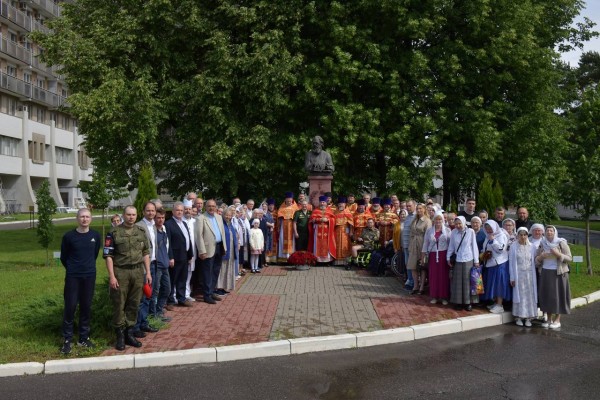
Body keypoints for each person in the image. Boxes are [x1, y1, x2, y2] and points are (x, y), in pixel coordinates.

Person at [103, 205, 152, 351]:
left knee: (134, 303)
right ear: (123, 215)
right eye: (128, 214)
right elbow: (108, 256)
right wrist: (112, 276)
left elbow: (146, 253)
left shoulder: (141, 231)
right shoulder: (114, 232)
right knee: (119, 304)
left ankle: (129, 333)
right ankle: (119, 336)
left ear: (137, 216)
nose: (131, 217)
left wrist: (148, 272)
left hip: (137, 271)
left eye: (133, 215)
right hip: (121, 272)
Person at [59, 208, 101, 354]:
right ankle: (67, 340)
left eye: (87, 217)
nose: (84, 219)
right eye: (82, 216)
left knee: (86, 306)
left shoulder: (95, 235)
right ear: (77, 218)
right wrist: (73, 268)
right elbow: (64, 257)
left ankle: (83, 338)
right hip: (73, 277)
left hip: (89, 276)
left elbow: (95, 254)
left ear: (91, 219)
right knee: (70, 307)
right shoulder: (69, 236)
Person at [132, 201, 160, 339]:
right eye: (148, 211)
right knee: (142, 297)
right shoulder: (139, 226)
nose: (151, 213)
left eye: (153, 211)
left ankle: (144, 322)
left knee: (149, 295)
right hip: (143, 267)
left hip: (154, 264)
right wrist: (147, 269)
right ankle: (136, 326)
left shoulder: (153, 225)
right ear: (143, 212)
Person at [535, 226, 572, 329]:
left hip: (559, 273)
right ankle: (548, 319)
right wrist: (541, 257)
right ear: (545, 232)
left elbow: (569, 258)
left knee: (558, 296)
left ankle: (557, 319)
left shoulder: (561, 243)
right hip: (545, 272)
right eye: (547, 230)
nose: (549, 232)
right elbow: (536, 261)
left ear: (555, 232)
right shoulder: (542, 244)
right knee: (547, 296)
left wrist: (558, 254)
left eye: (551, 230)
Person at [195, 199, 227, 304]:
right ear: (205, 207)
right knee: (207, 273)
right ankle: (206, 295)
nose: (211, 208)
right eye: (209, 206)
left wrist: (224, 247)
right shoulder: (201, 218)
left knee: (215, 271)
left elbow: (222, 233)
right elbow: (198, 236)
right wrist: (201, 251)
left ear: (216, 207)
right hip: (207, 249)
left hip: (219, 247)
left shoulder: (218, 217)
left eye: (213, 206)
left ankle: (212, 291)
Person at [447, 216, 480, 311]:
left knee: (467, 282)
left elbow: (474, 246)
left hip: (468, 259)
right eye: (456, 223)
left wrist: (476, 260)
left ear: (464, 223)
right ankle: (458, 302)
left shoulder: (470, 232)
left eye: (459, 223)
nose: (458, 225)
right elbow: (451, 246)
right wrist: (448, 257)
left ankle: (468, 302)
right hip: (458, 259)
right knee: (457, 282)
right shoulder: (453, 232)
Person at [165, 202, 194, 308]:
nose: (180, 212)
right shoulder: (168, 224)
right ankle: (170, 301)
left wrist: (190, 255)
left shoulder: (184, 223)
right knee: (172, 279)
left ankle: (181, 298)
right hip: (175, 257)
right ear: (173, 211)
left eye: (181, 210)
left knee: (183, 278)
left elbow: (188, 240)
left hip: (185, 256)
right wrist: (170, 257)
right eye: (177, 210)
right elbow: (168, 242)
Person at [481, 220, 511, 314]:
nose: (489, 230)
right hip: (491, 263)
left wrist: (493, 240)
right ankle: (496, 303)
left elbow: (501, 249)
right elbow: (485, 247)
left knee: (499, 284)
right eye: (487, 228)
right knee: (493, 284)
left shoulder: (501, 235)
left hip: (500, 264)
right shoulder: (488, 236)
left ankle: (500, 305)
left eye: (490, 228)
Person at [509, 227, 538, 327]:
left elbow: (535, 261)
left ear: (527, 235)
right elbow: (511, 263)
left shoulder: (532, 247)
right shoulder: (513, 246)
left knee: (529, 295)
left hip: (530, 275)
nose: (523, 237)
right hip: (519, 275)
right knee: (520, 295)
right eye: (520, 235)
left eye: (525, 234)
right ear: (517, 235)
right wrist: (512, 277)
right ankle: (519, 317)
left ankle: (529, 318)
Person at [422, 212, 452, 305]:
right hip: (433, 255)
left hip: (444, 255)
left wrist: (449, 257)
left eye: (440, 219)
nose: (438, 221)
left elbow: (451, 244)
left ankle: (443, 297)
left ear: (443, 220)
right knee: (433, 276)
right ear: (433, 220)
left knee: (443, 277)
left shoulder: (447, 230)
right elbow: (425, 243)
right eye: (436, 219)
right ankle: (434, 296)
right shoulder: (429, 231)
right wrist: (423, 255)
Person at [151, 208, 172, 322]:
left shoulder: (164, 230)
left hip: (165, 264)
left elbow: (167, 247)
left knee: (167, 289)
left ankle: (159, 311)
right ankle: (154, 314)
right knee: (155, 291)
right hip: (157, 265)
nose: (160, 220)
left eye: (162, 218)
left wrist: (169, 259)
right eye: (158, 218)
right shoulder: (153, 231)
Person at [407, 203, 431, 295]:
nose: (419, 210)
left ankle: (421, 287)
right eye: (417, 208)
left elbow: (428, 236)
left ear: (424, 209)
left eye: (420, 208)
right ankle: (415, 286)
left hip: (422, 245)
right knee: (412, 266)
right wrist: (410, 244)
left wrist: (425, 250)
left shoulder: (427, 221)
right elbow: (411, 233)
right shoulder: (414, 219)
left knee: (422, 267)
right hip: (413, 244)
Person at [216, 208, 238, 293]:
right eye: (226, 215)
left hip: (231, 250)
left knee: (229, 268)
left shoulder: (230, 224)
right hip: (224, 250)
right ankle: (219, 287)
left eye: (230, 215)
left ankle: (225, 286)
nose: (228, 217)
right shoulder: (221, 224)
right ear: (223, 215)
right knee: (222, 268)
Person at [309, 195, 336, 263]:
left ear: (326, 203)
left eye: (324, 202)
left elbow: (333, 219)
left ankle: (327, 261)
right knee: (317, 244)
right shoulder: (315, 211)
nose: (322, 203)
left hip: (327, 232)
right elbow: (311, 220)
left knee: (326, 245)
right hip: (317, 231)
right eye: (321, 202)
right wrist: (319, 219)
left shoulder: (330, 211)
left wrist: (328, 220)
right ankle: (317, 260)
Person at [277, 192, 299, 262]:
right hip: (284, 226)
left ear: (292, 200)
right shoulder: (282, 207)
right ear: (285, 200)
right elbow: (279, 217)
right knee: (283, 240)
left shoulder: (295, 207)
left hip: (292, 226)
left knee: (292, 241)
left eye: (290, 200)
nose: (289, 202)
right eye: (288, 200)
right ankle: (283, 258)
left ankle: (291, 257)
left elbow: (297, 218)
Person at [333, 196, 354, 269]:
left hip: (345, 231)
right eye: (339, 204)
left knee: (345, 245)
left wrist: (351, 232)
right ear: (338, 205)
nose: (341, 205)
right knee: (337, 244)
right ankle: (337, 261)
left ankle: (346, 261)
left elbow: (351, 223)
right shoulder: (335, 212)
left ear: (345, 204)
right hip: (337, 231)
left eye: (342, 204)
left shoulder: (348, 212)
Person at [402, 200, 416, 290]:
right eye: (407, 206)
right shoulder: (407, 217)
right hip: (406, 245)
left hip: (412, 246)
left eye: (410, 206)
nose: (408, 207)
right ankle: (409, 280)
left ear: (414, 206)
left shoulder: (415, 217)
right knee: (407, 264)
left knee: (411, 265)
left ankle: (412, 282)